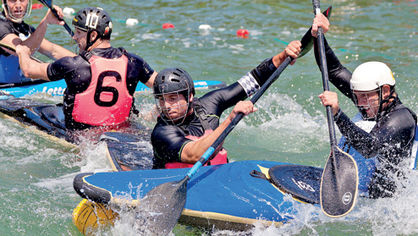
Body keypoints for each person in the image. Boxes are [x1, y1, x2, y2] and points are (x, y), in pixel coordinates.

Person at [312, 13, 417, 198]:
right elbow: (333, 70)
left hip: (386, 204)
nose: (360, 104)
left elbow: (370, 148)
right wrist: (318, 35)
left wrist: (337, 114)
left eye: (365, 97)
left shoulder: (401, 119)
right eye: (357, 97)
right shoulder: (373, 101)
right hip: (362, 191)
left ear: (385, 91)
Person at [151, 41, 302, 169]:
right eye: (161, 100)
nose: (166, 106)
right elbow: (194, 154)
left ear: (189, 96)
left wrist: (283, 57)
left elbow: (252, 81)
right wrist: (230, 119)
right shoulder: (161, 133)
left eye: (172, 98)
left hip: (216, 177)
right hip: (173, 183)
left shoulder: (208, 105)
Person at [15, 7, 157, 130]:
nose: (75, 37)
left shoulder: (73, 65)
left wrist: (21, 50)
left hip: (81, 136)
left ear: (93, 35)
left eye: (79, 32)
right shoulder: (133, 62)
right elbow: (164, 85)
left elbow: (28, 70)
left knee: (28, 110)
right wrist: (156, 112)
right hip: (122, 130)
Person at [0, 0, 73, 84]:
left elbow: (53, 51)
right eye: (13, 0)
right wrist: (45, 22)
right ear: (4, 2)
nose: (18, 5)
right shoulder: (1, 26)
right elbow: (23, 50)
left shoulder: (26, 29)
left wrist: (82, 61)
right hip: (6, 93)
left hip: (22, 87)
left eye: (22, 0)